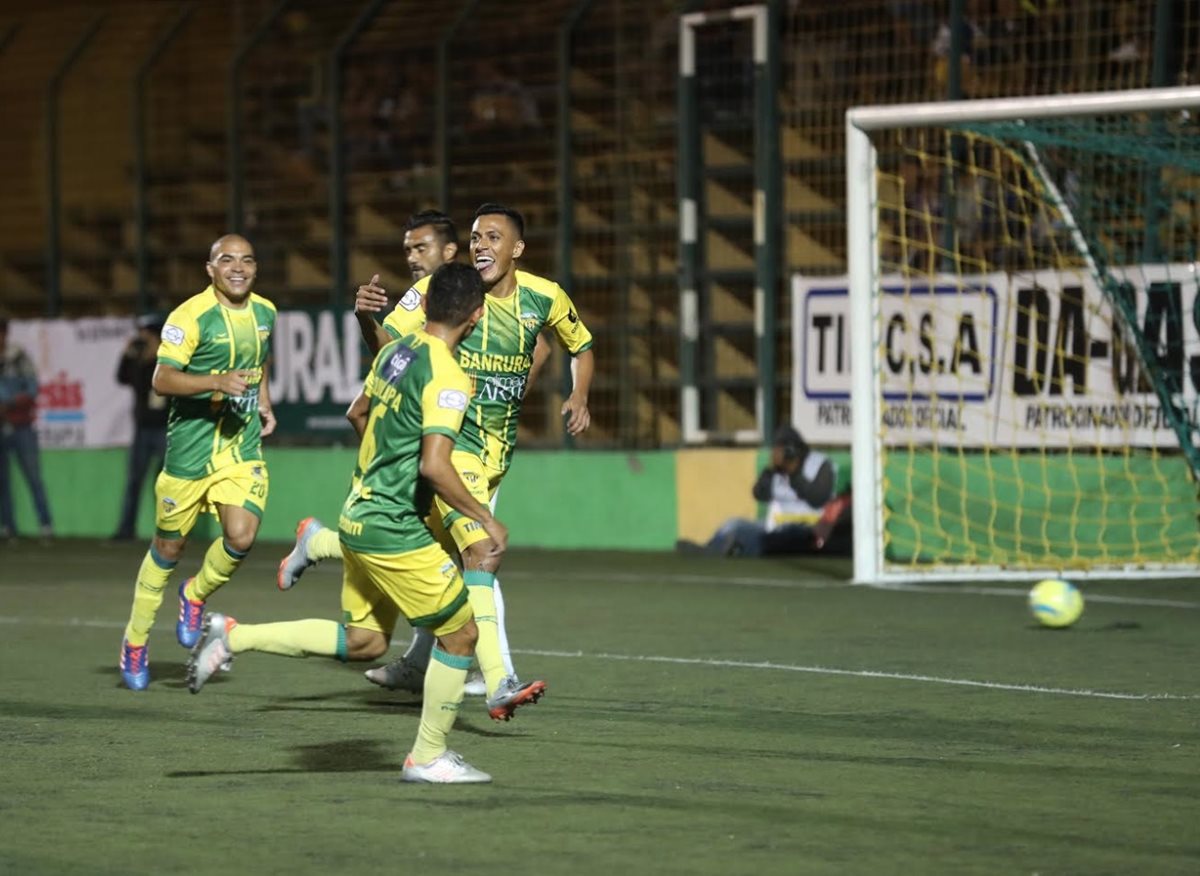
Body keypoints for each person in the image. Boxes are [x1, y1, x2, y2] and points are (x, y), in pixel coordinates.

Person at [188, 262, 542, 783]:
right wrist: (484, 516)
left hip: (358, 512)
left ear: (425, 305)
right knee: (461, 635)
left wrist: (386, 469)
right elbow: (435, 465)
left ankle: (232, 637)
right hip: (393, 528)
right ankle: (427, 757)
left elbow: (358, 414)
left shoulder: (397, 352)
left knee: (366, 643)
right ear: (477, 315)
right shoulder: (449, 375)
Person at [278, 202, 593, 701]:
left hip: (496, 453)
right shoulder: (442, 294)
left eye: (493, 237)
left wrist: (578, 394)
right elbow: (392, 350)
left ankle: (325, 550)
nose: (481, 245)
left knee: (431, 551)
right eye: (476, 237)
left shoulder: (544, 296)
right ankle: (500, 679)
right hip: (454, 446)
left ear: (517, 248)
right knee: (481, 553)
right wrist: (365, 318)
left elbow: (577, 345)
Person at [118, 234, 277, 691]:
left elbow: (260, 360)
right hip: (189, 452)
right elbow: (162, 378)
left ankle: (195, 593)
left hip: (239, 445)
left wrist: (263, 400)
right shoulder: (188, 317)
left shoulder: (266, 312)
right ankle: (134, 641)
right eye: (227, 260)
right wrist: (216, 381)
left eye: (247, 260)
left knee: (241, 536)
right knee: (168, 550)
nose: (238, 268)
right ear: (210, 269)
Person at [676, 425, 852, 558]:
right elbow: (758, 494)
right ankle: (711, 548)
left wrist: (794, 473)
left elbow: (818, 499)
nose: (779, 453)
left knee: (774, 538)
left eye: (784, 449)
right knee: (733, 524)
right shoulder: (777, 470)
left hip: (809, 527)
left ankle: (737, 548)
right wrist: (770, 470)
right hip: (774, 525)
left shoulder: (820, 464)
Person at [111, 314, 169, 542]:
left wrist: (153, 357)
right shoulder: (139, 360)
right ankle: (126, 529)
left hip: (164, 428)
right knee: (134, 480)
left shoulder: (167, 360)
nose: (141, 338)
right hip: (142, 428)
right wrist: (128, 354)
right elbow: (122, 377)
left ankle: (169, 531)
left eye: (145, 334)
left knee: (166, 484)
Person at [0, 316, 53, 541]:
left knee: (33, 477)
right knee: (2, 481)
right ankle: (8, 527)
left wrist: (10, 404)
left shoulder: (18, 357)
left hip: (21, 425)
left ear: (5, 334)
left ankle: (45, 524)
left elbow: (32, 389)